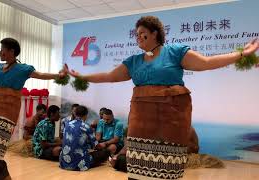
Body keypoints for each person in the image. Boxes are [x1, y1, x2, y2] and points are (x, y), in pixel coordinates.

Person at [67, 16, 259, 180]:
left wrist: (242, 54)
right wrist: (82, 76)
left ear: (154, 33)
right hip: (141, 124)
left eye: (142, 33)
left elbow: (206, 63)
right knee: (139, 170)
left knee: (167, 169)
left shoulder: (175, 52)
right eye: (136, 34)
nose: (137, 37)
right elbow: (109, 77)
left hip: (170, 122)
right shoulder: (134, 61)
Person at [0, 37, 67, 180]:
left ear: (11, 51)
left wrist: (58, 75)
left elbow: (40, 75)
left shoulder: (23, 69)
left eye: (2, 49)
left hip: (7, 113)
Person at [59, 105, 109, 171]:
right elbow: (96, 145)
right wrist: (103, 146)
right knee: (104, 153)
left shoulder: (67, 125)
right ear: (86, 115)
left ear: (75, 113)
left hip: (64, 162)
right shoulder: (86, 127)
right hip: (80, 164)